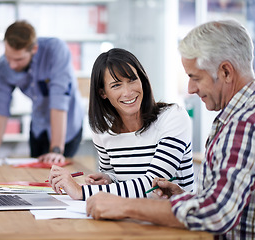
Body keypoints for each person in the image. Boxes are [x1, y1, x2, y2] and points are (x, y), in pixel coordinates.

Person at [85, 20, 255, 240]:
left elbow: (215, 213)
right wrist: (182, 197)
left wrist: (125, 206)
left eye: (195, 77)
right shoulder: (235, 117)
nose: (191, 89)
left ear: (225, 72)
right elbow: (226, 201)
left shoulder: (243, 123)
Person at [48, 48, 194, 200]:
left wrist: (81, 191)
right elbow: (115, 174)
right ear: (103, 93)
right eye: (116, 85)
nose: (128, 92)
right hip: (126, 216)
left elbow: (154, 185)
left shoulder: (173, 117)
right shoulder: (102, 131)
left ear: (142, 80)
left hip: (173, 218)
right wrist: (109, 179)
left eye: (132, 80)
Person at [0, 20, 84, 163]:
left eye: (19, 59)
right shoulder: (3, 66)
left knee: (57, 172)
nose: (12, 65)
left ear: (34, 49)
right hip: (38, 127)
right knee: (36, 175)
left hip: (66, 127)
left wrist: (56, 150)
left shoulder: (56, 50)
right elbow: (0, 109)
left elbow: (59, 100)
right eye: (8, 57)